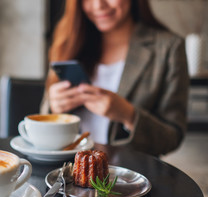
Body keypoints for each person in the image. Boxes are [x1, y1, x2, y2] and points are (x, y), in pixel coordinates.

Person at [40, 0, 189, 156]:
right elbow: (44, 113)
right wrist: (53, 108)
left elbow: (173, 137)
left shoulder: (168, 48)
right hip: (69, 169)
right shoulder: (68, 40)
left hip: (130, 173)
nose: (98, 5)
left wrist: (128, 115)